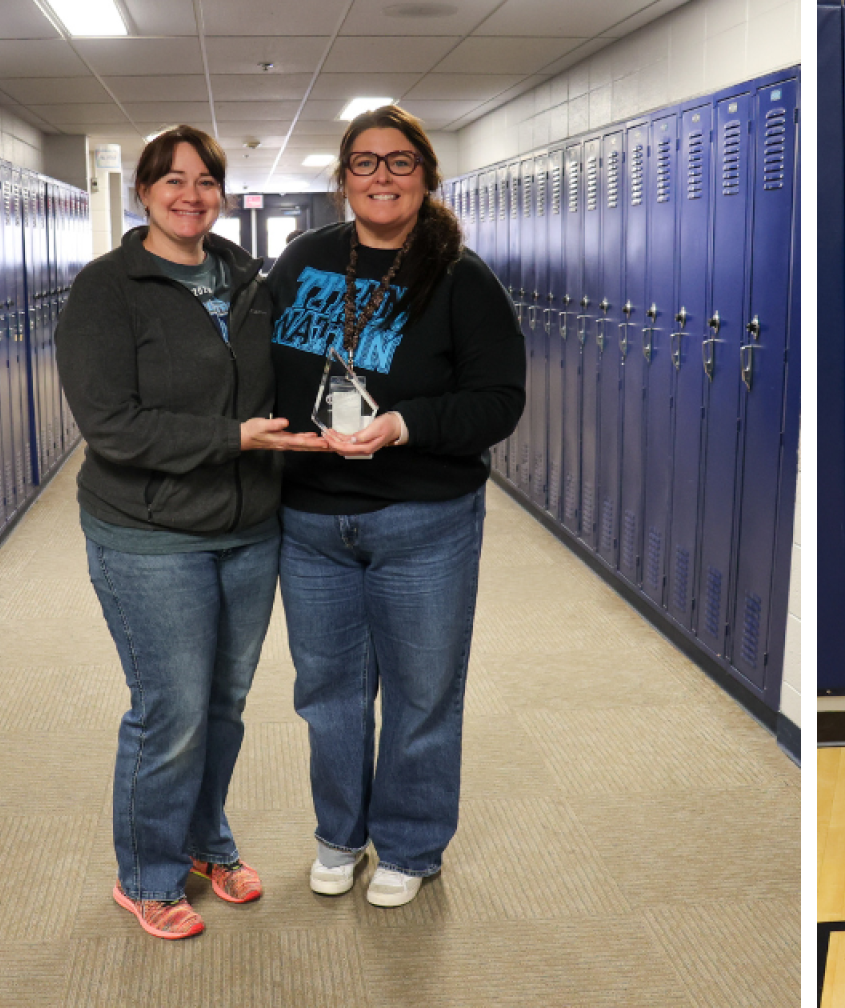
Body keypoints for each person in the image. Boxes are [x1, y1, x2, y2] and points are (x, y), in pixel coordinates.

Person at [57, 125, 328, 940]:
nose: (191, 194)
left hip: (247, 528)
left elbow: (298, 372)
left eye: (206, 180)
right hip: (149, 534)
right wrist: (233, 439)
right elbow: (112, 427)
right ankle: (146, 872)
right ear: (143, 192)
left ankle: (207, 841)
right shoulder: (108, 288)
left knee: (224, 705)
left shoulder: (248, 279)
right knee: (169, 709)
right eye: (172, 180)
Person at [266, 105, 525, 908]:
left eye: (400, 162)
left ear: (426, 177)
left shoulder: (461, 277)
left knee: (422, 690)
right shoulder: (304, 258)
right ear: (343, 178)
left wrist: (404, 424)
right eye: (366, 163)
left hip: (423, 518)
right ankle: (339, 837)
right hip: (310, 520)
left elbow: (497, 402)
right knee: (329, 692)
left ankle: (411, 845)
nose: (382, 177)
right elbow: (253, 360)